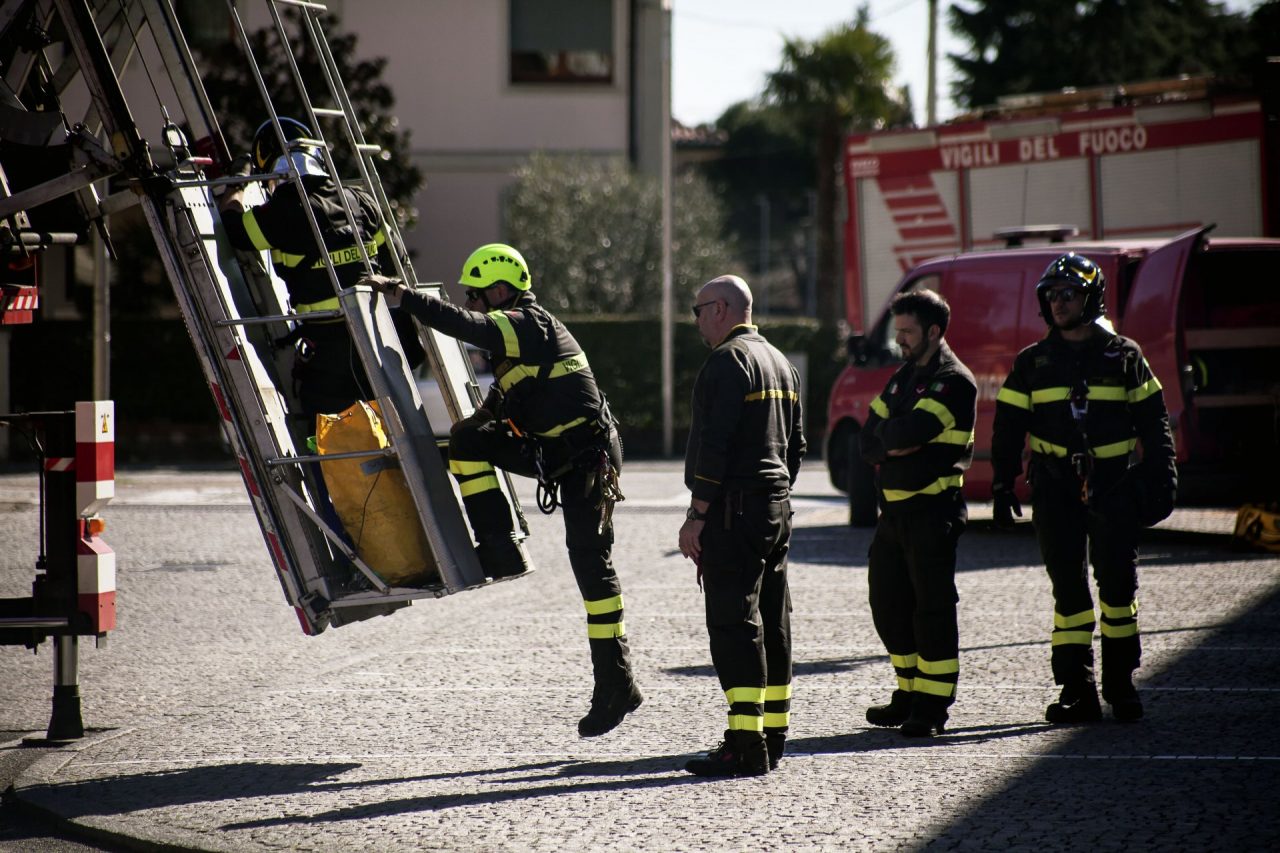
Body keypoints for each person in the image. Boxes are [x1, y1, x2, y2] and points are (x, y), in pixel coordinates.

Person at [363, 245, 642, 738]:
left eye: (478, 296)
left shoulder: (529, 323)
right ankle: (500, 549)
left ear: (502, 288)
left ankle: (617, 683)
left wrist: (404, 298)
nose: (474, 305)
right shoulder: (515, 349)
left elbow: (472, 328)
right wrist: (462, 433)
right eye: (470, 298)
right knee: (468, 438)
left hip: (590, 462)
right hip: (556, 456)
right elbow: (501, 399)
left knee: (591, 568)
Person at [991, 253, 1176, 724]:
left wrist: (1163, 475)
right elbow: (1008, 426)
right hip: (1053, 487)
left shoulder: (1126, 355)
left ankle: (1121, 684)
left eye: (1068, 294)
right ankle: (1078, 690)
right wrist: (1001, 481)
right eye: (1051, 295)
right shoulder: (1032, 363)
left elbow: (1154, 421)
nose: (1058, 303)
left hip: (1114, 484)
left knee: (1118, 589)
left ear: (1091, 297)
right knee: (1069, 594)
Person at [678, 275, 805, 777]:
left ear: (722, 309)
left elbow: (715, 447)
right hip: (775, 508)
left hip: (734, 510)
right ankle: (772, 735)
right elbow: (796, 448)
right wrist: (774, 495)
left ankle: (744, 744)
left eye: (698, 310)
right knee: (773, 622)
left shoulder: (727, 362)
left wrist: (697, 515)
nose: (696, 321)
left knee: (734, 624)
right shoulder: (781, 363)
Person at [219, 117, 423, 417]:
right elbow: (397, 262)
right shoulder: (361, 200)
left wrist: (237, 182)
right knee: (390, 428)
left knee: (335, 437)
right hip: (381, 338)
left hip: (329, 352)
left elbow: (235, 228)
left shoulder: (283, 212)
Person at [859, 289, 976, 738]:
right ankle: (907, 691)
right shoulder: (905, 376)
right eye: (897, 332)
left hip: (933, 512)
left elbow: (914, 430)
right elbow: (870, 438)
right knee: (888, 604)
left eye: (907, 332)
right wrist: (894, 443)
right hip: (893, 516)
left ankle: (932, 706)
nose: (900, 341)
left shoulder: (954, 380)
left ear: (934, 331)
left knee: (932, 610)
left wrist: (892, 440)